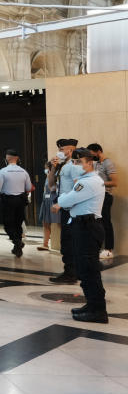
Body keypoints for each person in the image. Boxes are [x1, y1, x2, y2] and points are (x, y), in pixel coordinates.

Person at [53, 148, 108, 323]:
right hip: (85, 225)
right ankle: (92, 305)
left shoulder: (88, 182)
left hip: (87, 227)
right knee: (85, 269)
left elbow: (67, 200)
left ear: (89, 163)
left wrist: (61, 200)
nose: (75, 166)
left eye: (79, 162)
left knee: (89, 270)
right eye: (74, 162)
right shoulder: (89, 179)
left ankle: (98, 311)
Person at [48, 138, 79, 283]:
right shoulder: (63, 166)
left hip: (71, 208)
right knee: (67, 240)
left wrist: (62, 203)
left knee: (68, 241)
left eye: (62, 150)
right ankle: (71, 271)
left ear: (70, 150)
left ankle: (70, 273)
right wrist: (53, 167)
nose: (59, 152)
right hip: (65, 207)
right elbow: (51, 184)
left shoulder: (73, 166)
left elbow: (77, 188)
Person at [0, 149, 34, 257]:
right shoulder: (24, 172)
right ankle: (17, 247)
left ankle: (17, 242)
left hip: (7, 201)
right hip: (20, 201)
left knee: (8, 224)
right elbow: (29, 187)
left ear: (7, 158)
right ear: (17, 159)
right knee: (18, 223)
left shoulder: (3, 171)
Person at [86, 143, 116, 260]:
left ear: (98, 151)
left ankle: (109, 249)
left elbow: (115, 182)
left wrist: (99, 183)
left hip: (106, 196)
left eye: (92, 154)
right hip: (96, 197)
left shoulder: (108, 163)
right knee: (97, 223)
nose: (91, 157)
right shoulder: (96, 163)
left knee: (106, 223)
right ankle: (98, 247)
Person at [37, 160, 61, 252]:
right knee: (45, 222)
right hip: (46, 201)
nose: (45, 170)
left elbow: (53, 188)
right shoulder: (47, 177)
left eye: (47, 168)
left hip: (54, 201)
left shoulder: (55, 177)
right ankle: (45, 244)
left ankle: (65, 244)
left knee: (59, 223)